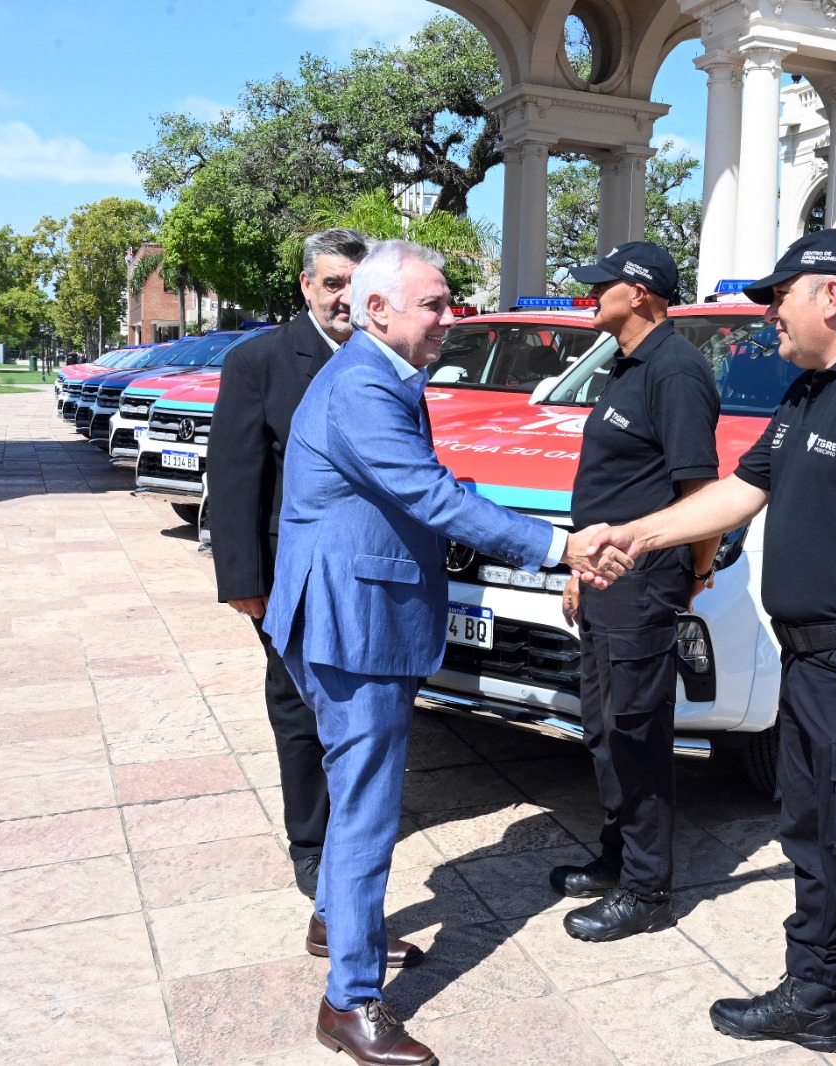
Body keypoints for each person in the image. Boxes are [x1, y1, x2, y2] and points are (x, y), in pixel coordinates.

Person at [591, 229, 836, 1066]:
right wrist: (637, 533)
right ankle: (814, 996)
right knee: (808, 832)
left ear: (830, 295)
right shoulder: (810, 393)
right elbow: (738, 490)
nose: (769, 317)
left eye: (779, 298)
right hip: (807, 660)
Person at [264, 239, 632, 1066]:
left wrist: (550, 535)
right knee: (366, 809)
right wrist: (559, 550)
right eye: (433, 303)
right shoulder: (365, 383)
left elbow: (437, 485)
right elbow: (427, 495)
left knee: (352, 791)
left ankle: (337, 924)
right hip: (350, 623)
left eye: (447, 300)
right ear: (379, 308)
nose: (448, 316)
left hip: (345, 614)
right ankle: (350, 1002)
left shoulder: (382, 374)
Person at [549, 243, 721, 942]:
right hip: (602, 580)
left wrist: (695, 577)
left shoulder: (676, 372)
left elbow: (699, 494)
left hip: (645, 583)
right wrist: (578, 569)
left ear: (643, 296)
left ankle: (649, 891)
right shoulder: (625, 366)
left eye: (604, 285)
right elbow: (609, 488)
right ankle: (619, 858)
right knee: (602, 727)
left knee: (638, 733)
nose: (591, 294)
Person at [209, 228, 369, 900]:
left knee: (358, 703)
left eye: (356, 287)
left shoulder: (386, 358)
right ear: (306, 285)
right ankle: (312, 845)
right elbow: (236, 474)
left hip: (366, 570)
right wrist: (244, 581)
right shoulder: (261, 361)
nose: (344, 299)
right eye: (333, 284)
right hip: (290, 574)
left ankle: (354, 824)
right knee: (300, 704)